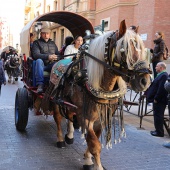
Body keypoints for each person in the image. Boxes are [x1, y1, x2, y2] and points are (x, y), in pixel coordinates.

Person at [32, 28, 60, 93]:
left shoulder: (53, 43)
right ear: (41, 34)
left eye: (47, 33)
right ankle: (40, 84)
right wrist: (48, 57)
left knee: (58, 64)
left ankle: (55, 84)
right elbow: (36, 55)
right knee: (38, 61)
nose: (46, 35)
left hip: (51, 64)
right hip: (41, 65)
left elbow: (58, 54)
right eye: (44, 33)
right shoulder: (36, 43)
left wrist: (56, 57)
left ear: (49, 34)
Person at [146, 62, 168, 137]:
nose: (155, 68)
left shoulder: (164, 76)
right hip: (157, 100)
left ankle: (159, 132)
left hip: (160, 100)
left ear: (161, 68)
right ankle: (157, 130)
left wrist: (156, 98)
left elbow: (161, 89)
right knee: (157, 115)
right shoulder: (161, 75)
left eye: (156, 66)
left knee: (158, 116)